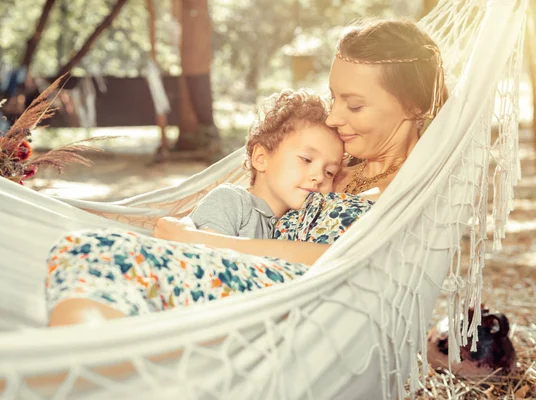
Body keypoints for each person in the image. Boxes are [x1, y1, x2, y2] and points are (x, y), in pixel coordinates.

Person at [46, 17, 448, 326]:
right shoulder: (334, 159)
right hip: (245, 283)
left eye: (354, 105)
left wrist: (203, 243)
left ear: (413, 107)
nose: (334, 115)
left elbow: (336, 259)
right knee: (80, 247)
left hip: (291, 306)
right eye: (333, 97)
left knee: (93, 252)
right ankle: (95, 367)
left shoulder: (407, 188)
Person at [188, 88, 343, 239]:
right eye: (306, 159)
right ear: (261, 158)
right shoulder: (230, 201)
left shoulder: (299, 227)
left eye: (329, 172)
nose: (319, 177)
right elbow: (205, 254)